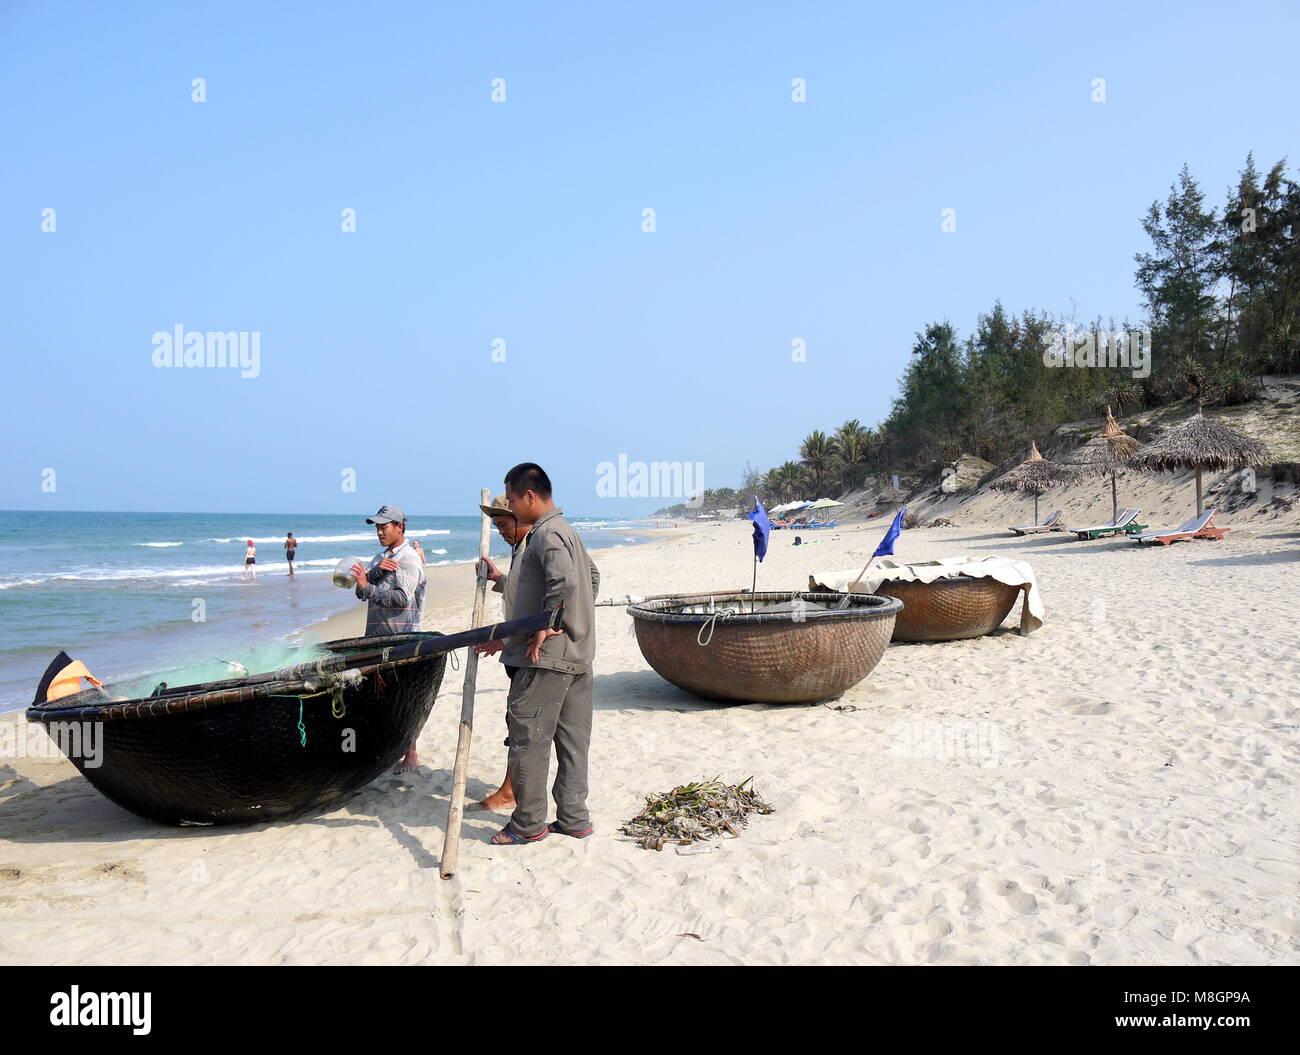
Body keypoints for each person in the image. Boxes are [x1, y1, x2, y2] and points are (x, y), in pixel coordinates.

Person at [488, 463, 600, 845]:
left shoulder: (546, 533)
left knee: (528, 738)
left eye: (515, 500)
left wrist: (549, 625)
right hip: (578, 654)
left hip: (548, 658)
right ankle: (573, 819)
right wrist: (575, 620)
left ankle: (528, 824)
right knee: (571, 742)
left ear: (530, 496)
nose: (513, 509)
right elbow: (590, 578)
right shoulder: (565, 531)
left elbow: (564, 581)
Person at [351, 504, 427, 772]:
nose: (379, 532)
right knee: (380, 697)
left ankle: (412, 754)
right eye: (377, 527)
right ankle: (389, 751)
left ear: (400, 527)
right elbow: (361, 593)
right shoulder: (379, 558)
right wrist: (370, 575)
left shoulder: (409, 559)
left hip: (401, 639)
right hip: (375, 638)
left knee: (404, 699)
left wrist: (368, 586)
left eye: (384, 527)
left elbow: (400, 599)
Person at [470, 494, 533, 813]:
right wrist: (498, 578)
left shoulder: (533, 548)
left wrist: (504, 642)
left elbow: (533, 608)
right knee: (518, 721)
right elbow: (519, 592)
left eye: (504, 524)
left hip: (528, 652)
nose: (501, 531)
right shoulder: (519, 550)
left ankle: (510, 790)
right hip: (518, 650)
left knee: (520, 722)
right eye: (495, 526)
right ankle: (513, 787)